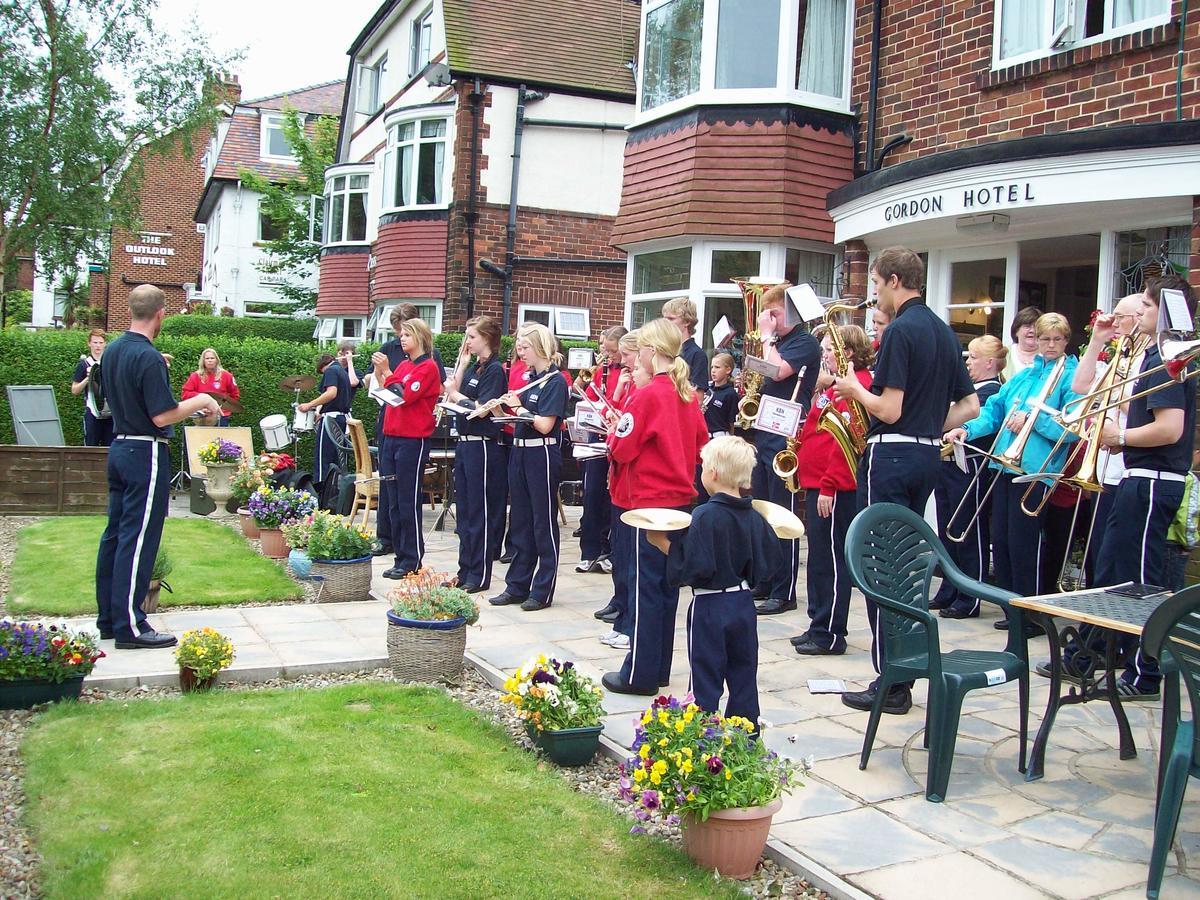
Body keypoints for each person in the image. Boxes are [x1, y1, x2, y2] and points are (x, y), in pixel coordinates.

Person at [834, 247, 978, 715]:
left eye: (876, 284)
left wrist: (855, 388)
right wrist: (927, 424)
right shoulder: (941, 328)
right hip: (925, 457)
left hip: (890, 455)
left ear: (895, 280)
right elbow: (969, 408)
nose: (875, 292)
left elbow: (889, 409)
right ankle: (904, 671)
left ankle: (891, 680)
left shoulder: (899, 330)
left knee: (881, 566)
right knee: (908, 567)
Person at [95, 285, 221, 649]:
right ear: (161, 314)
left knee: (115, 535)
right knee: (138, 539)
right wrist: (201, 399)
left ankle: (110, 618)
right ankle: (131, 627)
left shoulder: (114, 351)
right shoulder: (148, 357)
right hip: (145, 451)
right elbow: (162, 414)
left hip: (119, 448)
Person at [1091, 275, 1196, 701]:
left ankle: (1145, 673)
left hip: (1153, 481)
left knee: (1142, 581)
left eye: (1148, 308)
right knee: (1121, 573)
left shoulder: (1168, 359)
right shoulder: (1157, 355)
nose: (1141, 315)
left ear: (1164, 312)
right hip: (1142, 479)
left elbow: (1170, 429)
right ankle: (1129, 663)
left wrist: (1120, 438)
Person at [946, 314, 1079, 617]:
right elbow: (993, 411)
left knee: (1023, 544)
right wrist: (966, 429)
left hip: (1036, 470)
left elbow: (1071, 427)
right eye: (1045, 339)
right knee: (1002, 541)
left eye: (1057, 339)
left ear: (1066, 342)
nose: (1050, 345)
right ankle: (1011, 610)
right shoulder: (1025, 376)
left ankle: (1029, 614)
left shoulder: (1070, 376)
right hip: (1005, 466)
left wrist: (1034, 421)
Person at [602, 318, 708, 696]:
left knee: (643, 587)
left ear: (651, 352)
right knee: (666, 588)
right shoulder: (686, 395)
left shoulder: (646, 396)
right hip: (680, 501)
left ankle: (639, 673)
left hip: (645, 503)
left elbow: (621, 448)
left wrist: (615, 430)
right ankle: (659, 665)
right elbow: (701, 442)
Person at [646, 435, 780, 723]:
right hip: (743, 603)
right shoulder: (754, 515)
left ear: (713, 473)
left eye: (704, 466)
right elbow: (768, 561)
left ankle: (702, 738)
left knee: (705, 676)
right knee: (744, 675)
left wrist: (661, 544)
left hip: (710, 606)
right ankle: (746, 735)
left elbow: (694, 566)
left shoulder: (705, 515)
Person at [791, 325, 873, 655]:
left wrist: (829, 486)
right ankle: (818, 623)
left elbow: (847, 445)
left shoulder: (857, 387)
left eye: (827, 349)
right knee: (819, 560)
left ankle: (831, 633)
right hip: (817, 482)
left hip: (835, 487)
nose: (823, 355)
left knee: (833, 562)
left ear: (846, 352)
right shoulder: (835, 386)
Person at [488, 323, 569, 611]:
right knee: (520, 521)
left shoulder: (555, 382)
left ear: (540, 348)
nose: (520, 352)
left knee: (542, 523)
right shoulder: (528, 379)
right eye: (519, 347)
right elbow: (519, 423)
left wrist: (519, 407)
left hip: (542, 455)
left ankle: (542, 589)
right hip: (520, 453)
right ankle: (517, 585)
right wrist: (499, 411)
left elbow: (546, 425)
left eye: (524, 347)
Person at [751, 285, 820, 616]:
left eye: (775, 313)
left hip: (788, 434)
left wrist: (767, 339)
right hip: (767, 429)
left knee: (783, 512)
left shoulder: (804, 342)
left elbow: (779, 371)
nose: (770, 320)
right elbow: (769, 374)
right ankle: (765, 578)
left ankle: (785, 589)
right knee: (762, 510)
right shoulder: (778, 343)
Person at [1070, 293, 1148, 586]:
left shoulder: (1147, 360)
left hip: (1126, 469)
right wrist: (1097, 342)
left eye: (1120, 317)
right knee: (1097, 553)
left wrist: (1113, 393)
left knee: (1115, 556)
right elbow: (1080, 385)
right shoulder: (1120, 357)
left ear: (1137, 319)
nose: (1112, 321)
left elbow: (1142, 411)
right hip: (1104, 469)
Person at [930, 335, 1006, 618]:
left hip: (970, 465)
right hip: (949, 462)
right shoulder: (972, 389)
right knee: (947, 528)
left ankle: (970, 596)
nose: (968, 362)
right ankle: (950, 588)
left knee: (967, 530)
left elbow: (967, 419)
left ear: (989, 362)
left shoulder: (992, 391)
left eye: (973, 357)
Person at [373, 304, 446, 557]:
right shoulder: (404, 366)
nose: (401, 339)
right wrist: (385, 376)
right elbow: (389, 388)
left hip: (411, 440)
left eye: (406, 335)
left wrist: (387, 373)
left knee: (407, 500)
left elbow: (405, 395)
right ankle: (399, 553)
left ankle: (412, 557)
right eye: (401, 335)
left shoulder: (427, 367)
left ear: (419, 337)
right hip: (392, 436)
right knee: (393, 500)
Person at [443, 316, 506, 593]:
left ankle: (479, 575)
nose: (467, 342)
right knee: (465, 511)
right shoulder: (475, 367)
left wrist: (457, 397)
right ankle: (464, 569)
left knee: (479, 511)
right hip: (465, 443)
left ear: (487, 339)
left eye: (472, 337)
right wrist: (463, 365)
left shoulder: (494, 370)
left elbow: (482, 407)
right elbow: (451, 392)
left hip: (483, 443)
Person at [595, 330, 642, 645]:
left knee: (633, 557)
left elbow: (625, 438)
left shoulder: (647, 391)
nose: (621, 362)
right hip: (620, 479)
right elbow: (611, 414)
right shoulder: (631, 386)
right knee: (621, 550)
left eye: (626, 356)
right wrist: (620, 392)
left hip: (636, 483)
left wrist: (614, 435)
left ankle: (629, 617)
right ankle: (620, 603)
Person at [577, 326, 626, 575]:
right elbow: (587, 399)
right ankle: (589, 550)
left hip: (615, 440)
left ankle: (607, 550)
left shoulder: (628, 373)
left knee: (610, 498)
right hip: (596, 438)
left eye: (611, 350)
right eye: (604, 349)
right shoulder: (601, 372)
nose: (607, 355)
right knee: (592, 494)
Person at [298, 351, 354, 488]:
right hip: (342, 419)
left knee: (323, 459)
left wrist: (309, 405)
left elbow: (331, 393)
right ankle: (334, 493)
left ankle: (321, 493)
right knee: (337, 459)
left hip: (331, 419)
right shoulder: (342, 372)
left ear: (323, 366)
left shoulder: (331, 371)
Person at [71, 328, 114, 447]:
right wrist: (87, 378)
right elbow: (74, 390)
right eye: (95, 342)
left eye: (100, 343)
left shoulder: (110, 362)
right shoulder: (84, 364)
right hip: (93, 412)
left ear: (105, 344)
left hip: (111, 413)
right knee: (90, 449)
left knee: (110, 450)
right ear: (89, 343)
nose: (98, 346)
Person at [181, 348, 241, 426]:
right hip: (202, 414)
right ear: (203, 361)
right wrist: (202, 398)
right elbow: (185, 393)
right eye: (207, 358)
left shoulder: (227, 376)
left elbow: (235, 395)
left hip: (221, 414)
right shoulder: (196, 376)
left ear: (217, 360)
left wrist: (223, 406)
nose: (210, 360)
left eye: (212, 358)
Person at [663, 297, 709, 390]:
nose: (665, 323)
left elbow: (698, 397)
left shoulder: (697, 355)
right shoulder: (665, 351)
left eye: (671, 319)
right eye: (664, 319)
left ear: (687, 322)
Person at [1001, 306, 1042, 381]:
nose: (1032, 330)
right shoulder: (1003, 354)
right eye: (1027, 326)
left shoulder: (1048, 357)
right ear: (1016, 331)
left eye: (1036, 327)